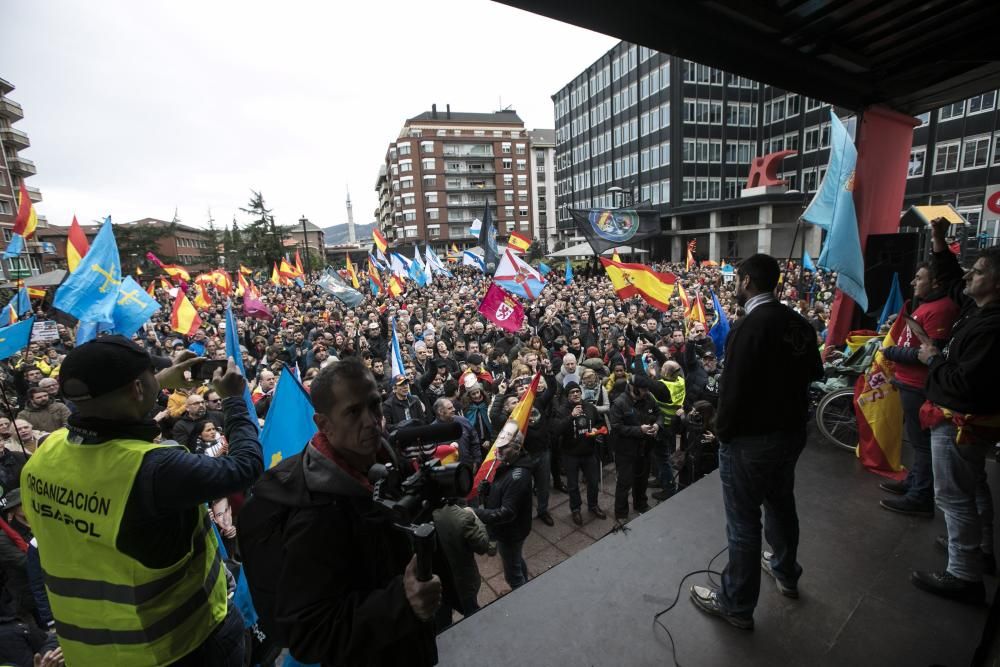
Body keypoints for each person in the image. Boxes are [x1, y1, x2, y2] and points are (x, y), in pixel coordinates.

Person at [20, 336, 262, 666]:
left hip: (90, 653)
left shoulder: (44, 454)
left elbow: (107, 407)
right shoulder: (153, 469)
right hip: (180, 646)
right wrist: (234, 400)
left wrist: (158, 381)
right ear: (137, 389)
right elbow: (245, 466)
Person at [240, 358, 440, 666]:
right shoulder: (314, 514)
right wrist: (401, 601)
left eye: (374, 405)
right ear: (323, 424)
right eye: (353, 412)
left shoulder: (380, 455)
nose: (372, 421)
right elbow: (309, 636)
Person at [690, 253, 823, 630]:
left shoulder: (748, 328)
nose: (734, 286)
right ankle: (785, 572)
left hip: (751, 442)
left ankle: (736, 604)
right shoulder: (799, 323)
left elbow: (731, 392)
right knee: (781, 504)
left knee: (743, 523)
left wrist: (723, 433)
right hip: (791, 434)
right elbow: (814, 371)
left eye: (737, 280)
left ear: (746, 281)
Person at [911, 227, 1000, 604]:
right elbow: (950, 278)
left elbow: (966, 382)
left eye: (977, 272)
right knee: (973, 485)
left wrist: (934, 359)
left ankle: (964, 575)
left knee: (954, 497)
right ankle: (979, 547)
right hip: (960, 420)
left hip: (961, 421)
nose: (968, 277)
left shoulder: (993, 326)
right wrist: (938, 244)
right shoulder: (976, 311)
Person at [878, 258, 959, 517]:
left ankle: (920, 497)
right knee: (916, 442)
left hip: (918, 385)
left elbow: (927, 352)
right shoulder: (928, 305)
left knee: (921, 444)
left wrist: (891, 351)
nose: (913, 282)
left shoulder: (942, 308)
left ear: (935, 281)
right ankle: (914, 482)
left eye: (919, 278)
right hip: (908, 382)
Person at [474, 420, 534, 590]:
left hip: (511, 532)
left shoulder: (519, 476)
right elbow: (502, 492)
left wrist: (474, 512)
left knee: (512, 573)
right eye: (498, 446)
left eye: (504, 447)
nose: (498, 450)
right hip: (510, 530)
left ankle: (522, 594)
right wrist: (488, 490)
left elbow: (507, 512)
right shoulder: (509, 463)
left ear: (517, 448)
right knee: (516, 560)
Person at [553, 382, 607, 525]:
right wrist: (571, 416)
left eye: (577, 391)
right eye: (572, 392)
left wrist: (597, 430)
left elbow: (600, 423)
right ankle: (575, 509)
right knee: (573, 485)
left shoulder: (590, 407)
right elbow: (557, 430)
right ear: (567, 396)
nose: (576, 394)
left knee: (593, 482)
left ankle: (593, 505)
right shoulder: (561, 410)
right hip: (570, 454)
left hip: (589, 452)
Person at [609, 375, 661, 522]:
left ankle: (641, 504)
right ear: (633, 388)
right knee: (624, 483)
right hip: (625, 451)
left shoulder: (649, 398)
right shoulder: (619, 403)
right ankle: (621, 513)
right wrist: (639, 430)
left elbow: (658, 414)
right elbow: (617, 428)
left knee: (642, 479)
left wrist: (657, 425)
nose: (646, 392)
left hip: (644, 449)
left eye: (647, 389)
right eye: (643, 389)